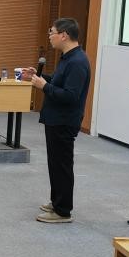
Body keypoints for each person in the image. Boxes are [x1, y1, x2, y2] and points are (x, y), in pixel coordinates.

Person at [22, 17, 91, 224]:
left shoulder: (78, 62)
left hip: (64, 120)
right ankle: (57, 201)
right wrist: (42, 77)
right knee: (55, 163)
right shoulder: (68, 58)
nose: (50, 36)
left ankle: (63, 211)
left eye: (52, 32)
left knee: (62, 165)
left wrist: (44, 86)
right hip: (56, 118)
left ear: (64, 35)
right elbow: (60, 82)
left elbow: (70, 95)